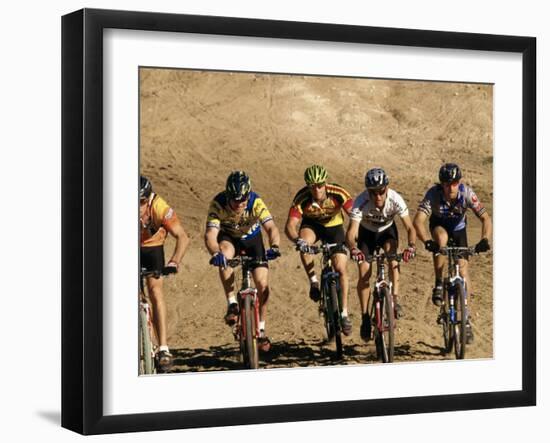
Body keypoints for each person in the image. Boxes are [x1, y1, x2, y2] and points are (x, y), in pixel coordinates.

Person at [413, 163, 492, 344]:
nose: (451, 187)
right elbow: (418, 221)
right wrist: (427, 241)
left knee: (463, 273)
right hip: (439, 226)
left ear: (459, 182)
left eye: (455, 183)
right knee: (440, 240)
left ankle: (466, 319)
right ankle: (439, 283)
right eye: (447, 184)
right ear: (441, 184)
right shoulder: (433, 194)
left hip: (459, 231)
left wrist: (485, 239)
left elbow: (486, 218)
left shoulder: (466, 193)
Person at [204, 171, 281, 352]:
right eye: (235, 200)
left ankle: (261, 330)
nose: (239, 204)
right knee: (224, 256)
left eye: (243, 200)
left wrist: (275, 246)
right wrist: (216, 252)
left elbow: (271, 227)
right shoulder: (218, 204)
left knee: (263, 285)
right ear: (228, 196)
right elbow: (210, 235)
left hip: (252, 240)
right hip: (229, 238)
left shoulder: (256, 202)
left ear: (249, 195)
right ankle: (232, 303)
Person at [345, 167, 417, 342]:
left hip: (386, 232)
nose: (378, 196)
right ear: (367, 192)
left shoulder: (395, 199)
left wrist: (411, 246)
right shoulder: (360, 201)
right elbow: (351, 231)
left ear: (387, 188)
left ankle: (394, 300)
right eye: (373, 193)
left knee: (393, 258)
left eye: (381, 192)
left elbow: (409, 227)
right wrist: (354, 248)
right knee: (364, 272)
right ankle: (364, 317)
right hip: (367, 234)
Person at [285, 165, 354, 335]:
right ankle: (314, 281)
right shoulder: (302, 198)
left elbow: (355, 215)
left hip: (334, 227)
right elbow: (290, 226)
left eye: (320, 185)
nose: (317, 189)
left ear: (325, 183)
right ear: (308, 186)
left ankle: (344, 313)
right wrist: (297, 240)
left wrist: (351, 237)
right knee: (304, 242)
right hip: (312, 226)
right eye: (312, 186)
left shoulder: (338, 193)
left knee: (341, 269)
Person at [140, 175, 190, 372]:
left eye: (142, 203)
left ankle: (163, 348)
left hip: (153, 248)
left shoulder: (160, 207)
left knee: (155, 291)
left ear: (148, 199)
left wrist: (174, 261)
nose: (137, 207)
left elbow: (183, 236)